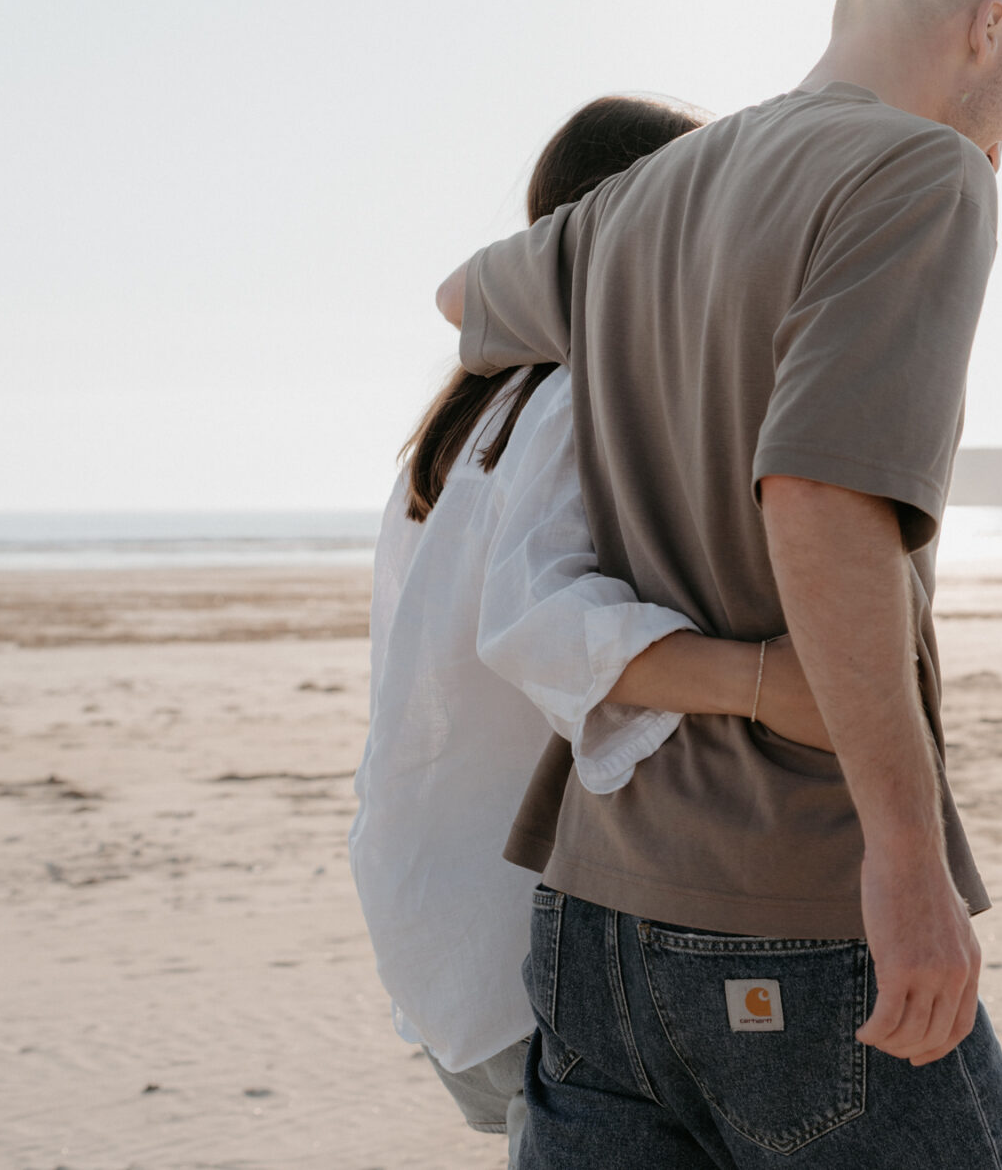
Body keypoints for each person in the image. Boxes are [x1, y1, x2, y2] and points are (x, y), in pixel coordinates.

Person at [437, 0, 1002, 1168]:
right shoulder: (917, 168)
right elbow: (819, 497)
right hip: (795, 899)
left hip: (596, 915)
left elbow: (463, 296)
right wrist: (904, 852)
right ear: (987, 27)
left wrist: (656, 309)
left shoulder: (642, 196)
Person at [351, 95, 832, 1161]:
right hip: (511, 933)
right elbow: (538, 624)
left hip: (434, 906)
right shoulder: (579, 397)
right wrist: (764, 682)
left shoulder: (467, 415)